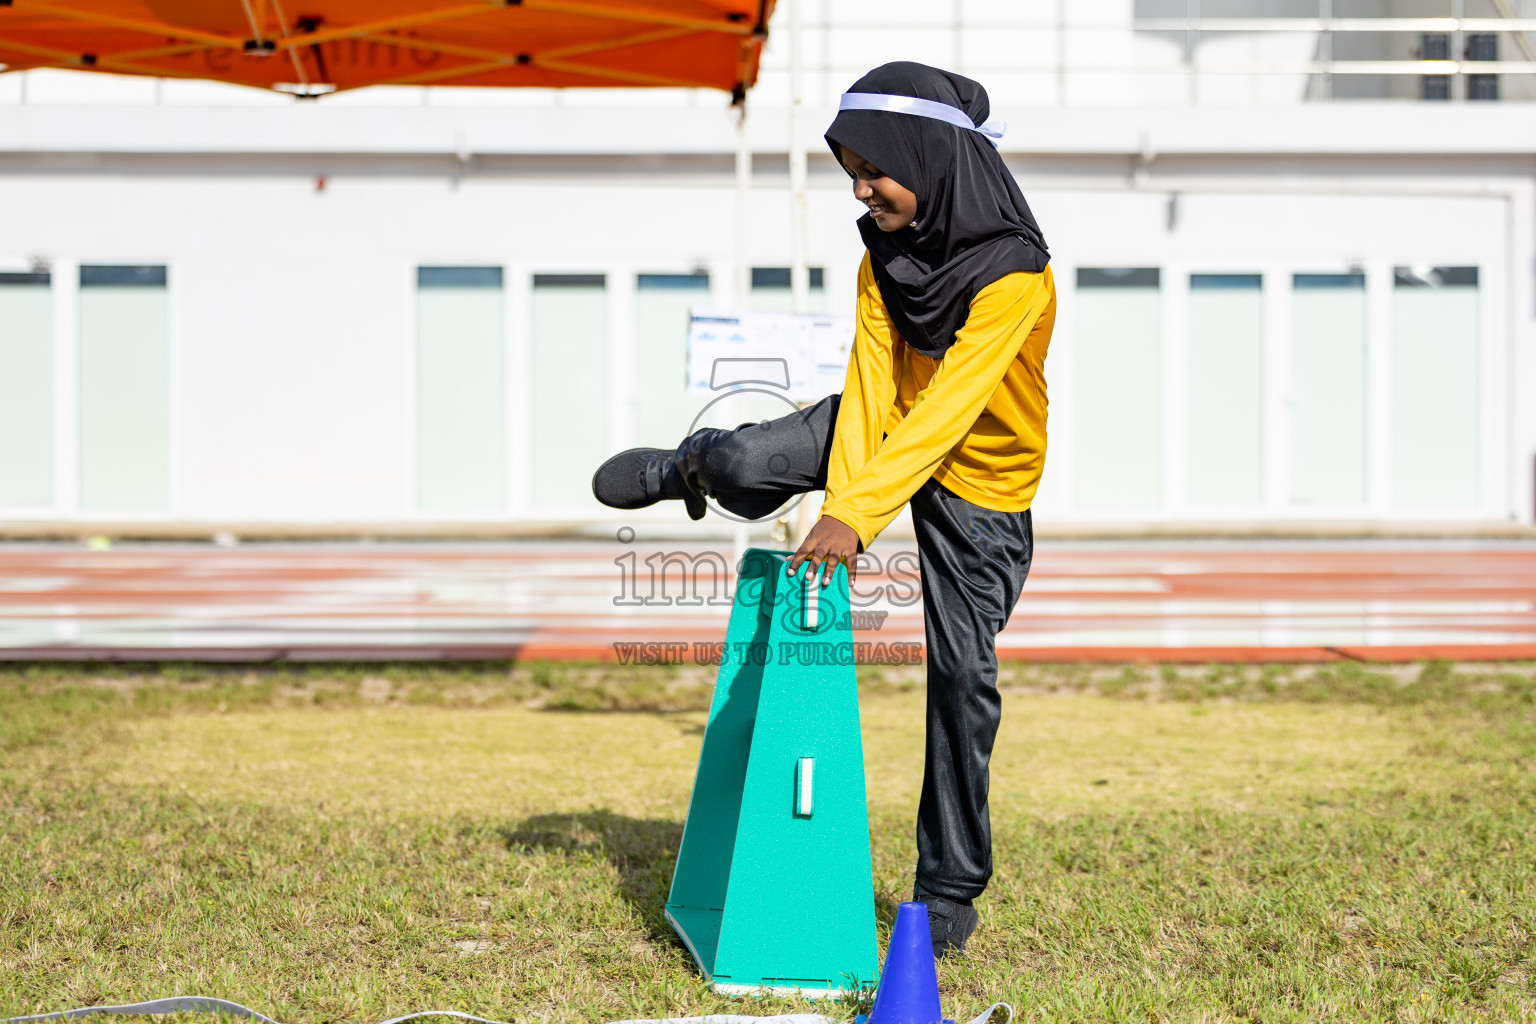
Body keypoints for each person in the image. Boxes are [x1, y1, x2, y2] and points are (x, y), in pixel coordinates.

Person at [591, 61, 1054, 958]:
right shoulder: (883, 253)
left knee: (963, 680)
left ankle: (948, 888)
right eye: (849, 169)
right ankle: (692, 469)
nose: (861, 187)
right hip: (884, 432)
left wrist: (852, 517)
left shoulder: (1017, 274)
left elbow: (951, 408)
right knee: (745, 454)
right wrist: (843, 497)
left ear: (930, 155)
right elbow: (875, 381)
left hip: (981, 482)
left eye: (874, 168)